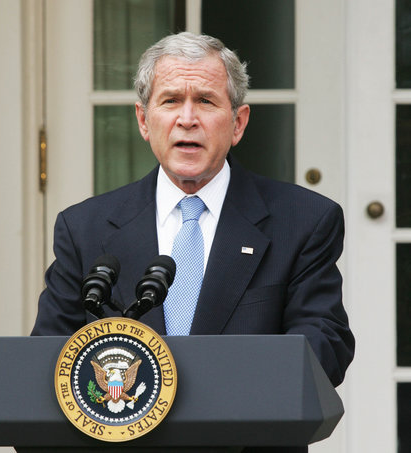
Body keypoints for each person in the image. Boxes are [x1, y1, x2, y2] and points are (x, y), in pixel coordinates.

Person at [32, 32, 354, 450]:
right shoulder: (84, 228)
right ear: (144, 121)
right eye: (169, 101)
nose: (187, 118)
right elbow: (47, 360)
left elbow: (325, 342)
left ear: (237, 123)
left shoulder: (304, 221)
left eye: (205, 100)